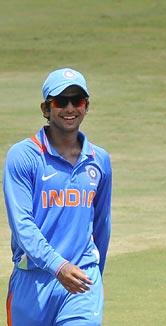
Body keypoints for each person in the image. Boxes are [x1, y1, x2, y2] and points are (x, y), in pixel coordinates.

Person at [3, 68, 112, 325]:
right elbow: (22, 225)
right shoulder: (23, 156)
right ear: (46, 108)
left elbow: (102, 225)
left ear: (87, 106)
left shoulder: (99, 161)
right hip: (33, 282)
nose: (70, 108)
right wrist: (58, 265)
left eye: (78, 100)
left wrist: (95, 275)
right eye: (61, 101)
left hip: (81, 279)